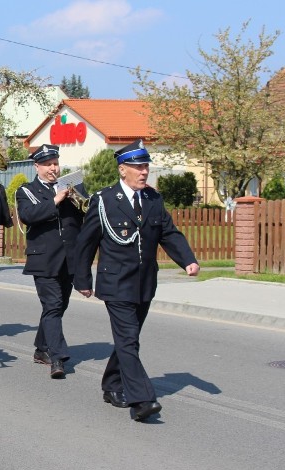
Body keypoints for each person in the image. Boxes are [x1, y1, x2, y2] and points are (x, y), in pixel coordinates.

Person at [74, 140, 200, 421]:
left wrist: (187, 259)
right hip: (116, 282)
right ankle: (141, 399)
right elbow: (86, 243)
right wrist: (82, 278)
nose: (144, 172)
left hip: (144, 283)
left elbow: (169, 233)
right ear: (123, 170)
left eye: (146, 167)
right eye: (138, 167)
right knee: (128, 340)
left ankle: (111, 383)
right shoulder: (104, 200)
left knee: (128, 339)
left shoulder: (153, 199)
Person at [16, 145, 84, 378]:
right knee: (53, 305)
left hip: (69, 257)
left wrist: (78, 199)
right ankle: (58, 358)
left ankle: (41, 348)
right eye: (47, 164)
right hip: (43, 259)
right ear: (37, 167)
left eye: (55, 163)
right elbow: (28, 216)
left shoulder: (73, 187)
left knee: (58, 306)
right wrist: (56, 199)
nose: (53, 168)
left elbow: (86, 216)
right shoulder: (27, 190)